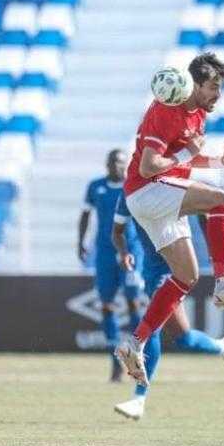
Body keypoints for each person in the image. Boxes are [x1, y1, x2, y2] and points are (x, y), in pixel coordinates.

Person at [115, 52, 224, 385]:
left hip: (157, 196)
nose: (217, 95)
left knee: (186, 276)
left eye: (220, 88)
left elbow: (185, 160)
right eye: (212, 87)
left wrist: (221, 162)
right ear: (193, 84)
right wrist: (187, 154)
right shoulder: (169, 108)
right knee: (219, 200)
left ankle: (133, 342)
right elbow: (149, 166)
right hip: (147, 190)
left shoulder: (197, 116)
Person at [111, 193, 224, 420]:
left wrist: (215, 255)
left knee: (151, 329)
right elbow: (117, 231)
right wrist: (123, 252)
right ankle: (223, 347)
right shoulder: (130, 192)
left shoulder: (173, 187)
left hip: (174, 269)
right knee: (184, 339)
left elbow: (206, 211)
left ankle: (139, 398)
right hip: (151, 272)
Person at [77, 149, 143, 382]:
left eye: (122, 162)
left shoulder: (134, 186)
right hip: (104, 252)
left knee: (134, 303)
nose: (118, 165)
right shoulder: (96, 187)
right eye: (114, 161)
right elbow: (85, 215)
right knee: (106, 305)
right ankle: (116, 360)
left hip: (131, 251)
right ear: (106, 164)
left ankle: (138, 356)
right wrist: (80, 242)